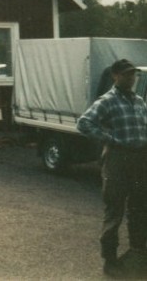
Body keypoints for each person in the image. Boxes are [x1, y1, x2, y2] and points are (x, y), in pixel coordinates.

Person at [77, 59, 147, 277]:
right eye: (126, 74)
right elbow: (84, 123)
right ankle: (110, 259)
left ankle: (138, 253)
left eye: (133, 74)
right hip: (117, 159)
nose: (131, 78)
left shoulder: (139, 101)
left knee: (139, 208)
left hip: (140, 159)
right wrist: (109, 139)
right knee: (114, 210)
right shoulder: (107, 101)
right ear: (115, 76)